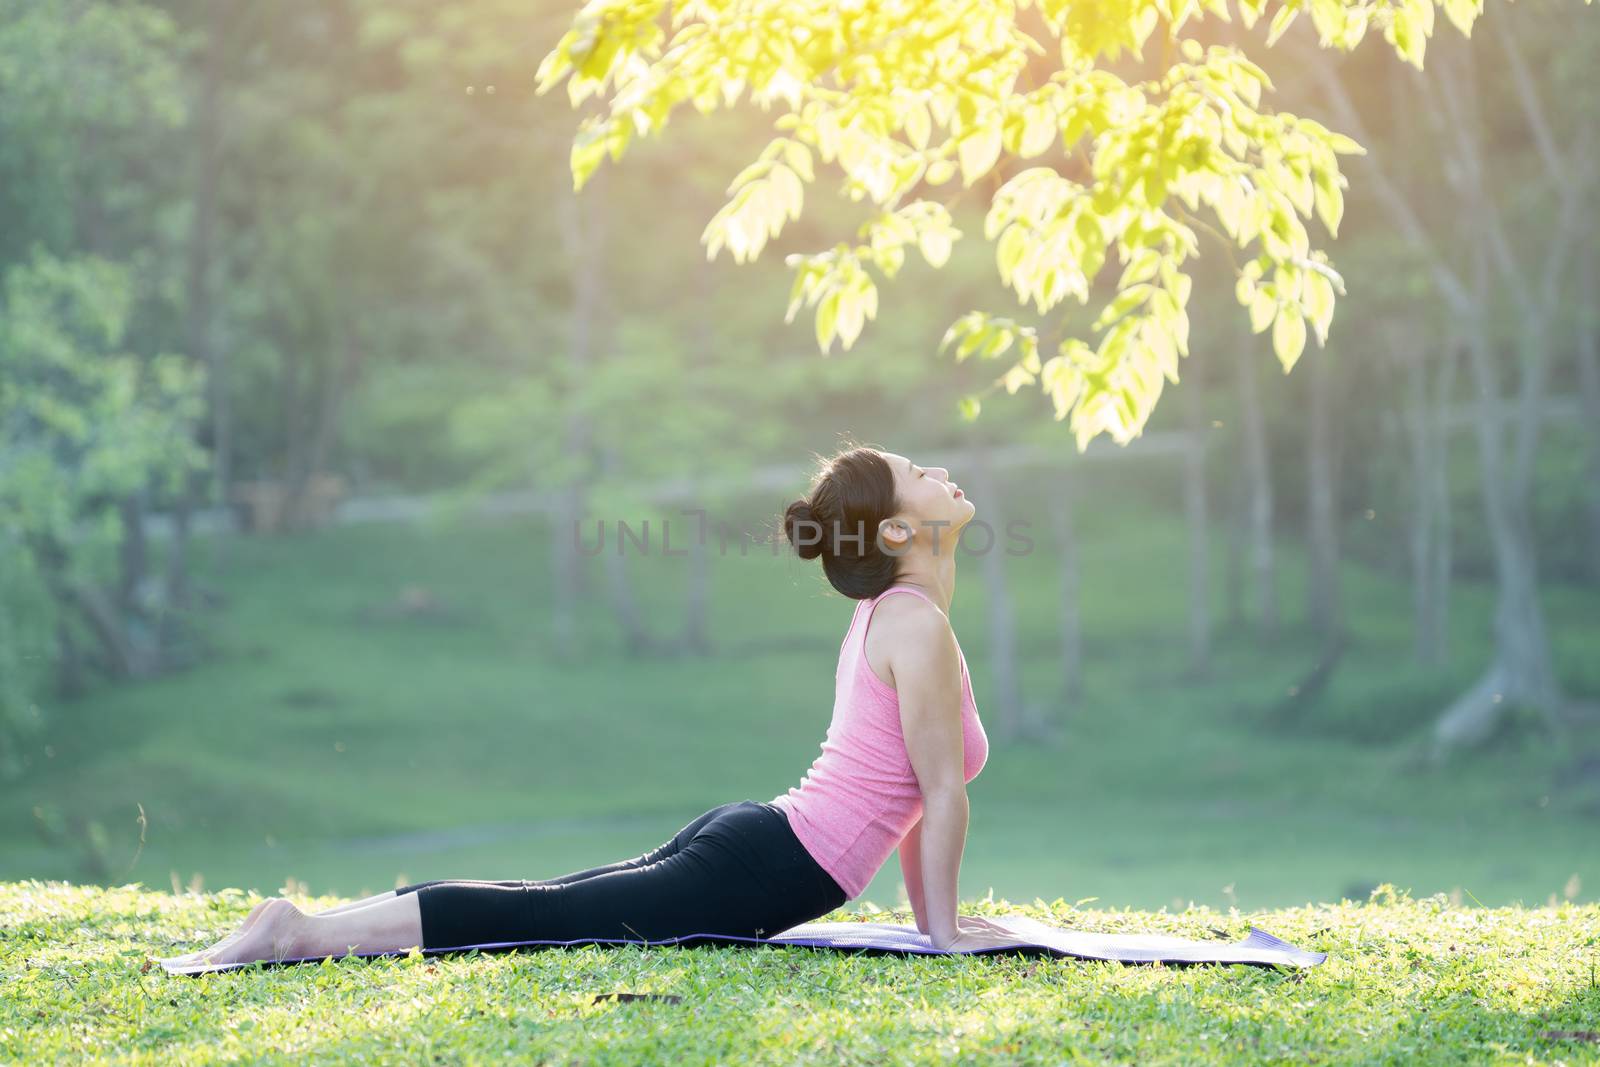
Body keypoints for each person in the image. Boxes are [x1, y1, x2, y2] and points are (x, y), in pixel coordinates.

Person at [159, 443, 1018, 969]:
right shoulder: (914, 624)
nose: (939, 472)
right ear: (898, 532)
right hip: (769, 860)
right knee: (546, 915)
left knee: (549, 901)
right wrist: (941, 935)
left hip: (763, 841)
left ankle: (305, 924)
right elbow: (938, 793)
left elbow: (912, 796)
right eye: (919, 473)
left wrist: (932, 922)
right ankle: (300, 933)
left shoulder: (903, 619)